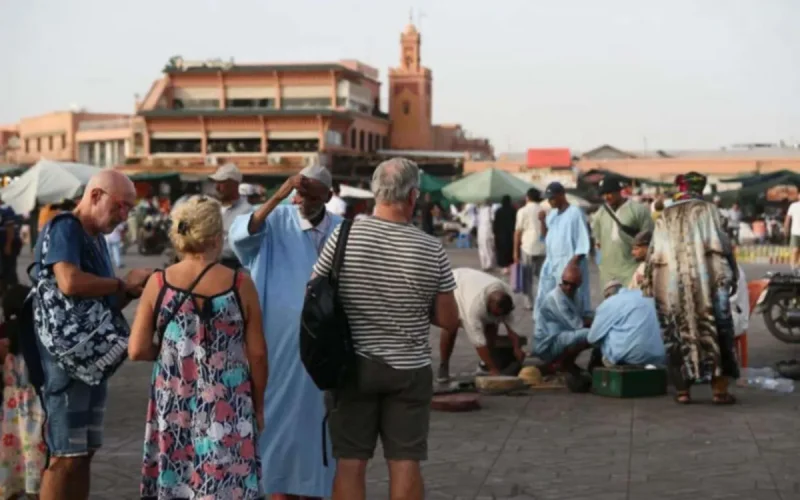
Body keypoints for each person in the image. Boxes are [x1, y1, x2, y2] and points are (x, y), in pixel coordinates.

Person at [311, 157, 458, 500]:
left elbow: (316, 292)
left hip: (352, 368)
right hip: (408, 370)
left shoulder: (343, 237)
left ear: (375, 193)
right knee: (405, 461)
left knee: (350, 463)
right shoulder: (431, 248)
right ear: (413, 197)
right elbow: (449, 319)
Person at [128, 196, 267, 499]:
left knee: (177, 480)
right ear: (217, 237)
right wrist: (258, 407)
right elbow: (257, 354)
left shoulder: (158, 283)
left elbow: (136, 349)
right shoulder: (240, 284)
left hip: (173, 400)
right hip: (227, 404)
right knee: (227, 481)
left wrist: (172, 352)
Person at [31, 170, 152, 500]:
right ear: (95, 195)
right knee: (64, 457)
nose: (124, 215)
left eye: (129, 208)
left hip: (89, 364)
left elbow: (103, 302)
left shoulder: (95, 237)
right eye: (120, 206)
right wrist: (122, 283)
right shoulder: (65, 227)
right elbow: (69, 282)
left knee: (84, 453)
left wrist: (131, 290)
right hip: (65, 365)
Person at [229, 164, 340, 499]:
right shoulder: (275, 221)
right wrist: (278, 194)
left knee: (318, 421)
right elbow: (240, 236)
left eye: (311, 193)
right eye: (299, 192)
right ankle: (272, 486)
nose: (302, 199)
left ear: (328, 196)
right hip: (279, 341)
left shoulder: (342, 229)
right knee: (276, 417)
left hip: (327, 345)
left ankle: (315, 488)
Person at [642, 172, 739, 405]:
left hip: (672, 287)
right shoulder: (710, 211)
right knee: (717, 330)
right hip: (710, 285)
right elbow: (725, 247)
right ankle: (719, 391)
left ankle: (683, 391)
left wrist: (648, 281)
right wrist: (732, 275)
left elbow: (652, 255)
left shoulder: (664, 216)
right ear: (701, 189)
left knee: (675, 331)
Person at [437, 267, 526, 383]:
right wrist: (494, 372)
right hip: (454, 286)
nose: (498, 317)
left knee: (492, 324)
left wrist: (517, 348)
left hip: (471, 280)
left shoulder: (507, 294)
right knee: (450, 326)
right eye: (495, 314)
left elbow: (512, 328)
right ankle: (444, 365)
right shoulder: (473, 308)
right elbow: (478, 342)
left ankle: (485, 364)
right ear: (489, 304)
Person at [0, 284, 46, 500]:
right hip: (35, 407)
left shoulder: (4, 338)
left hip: (9, 411)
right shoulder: (36, 336)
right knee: (35, 457)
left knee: (9, 460)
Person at [534, 182, 591, 322]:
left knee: (570, 300)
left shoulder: (575, 213)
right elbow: (546, 236)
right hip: (552, 262)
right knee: (547, 295)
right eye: (548, 198)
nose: (550, 201)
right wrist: (542, 221)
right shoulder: (552, 214)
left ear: (562, 195)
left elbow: (582, 244)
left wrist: (572, 266)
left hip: (569, 264)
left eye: (552, 198)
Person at [532, 263, 592, 379]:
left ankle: (565, 363)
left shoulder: (577, 296)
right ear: (561, 281)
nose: (569, 287)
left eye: (573, 285)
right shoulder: (555, 298)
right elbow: (577, 324)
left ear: (579, 285)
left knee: (589, 333)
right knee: (589, 334)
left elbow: (585, 314)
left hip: (562, 335)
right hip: (548, 343)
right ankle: (559, 364)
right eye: (566, 283)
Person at [587, 281, 666, 368]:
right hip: (659, 357)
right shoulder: (645, 296)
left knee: (601, 344)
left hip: (629, 359)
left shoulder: (609, 303)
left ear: (607, 295)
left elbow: (592, 338)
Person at [591, 177, 653, 287]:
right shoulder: (600, 214)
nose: (606, 197)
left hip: (632, 271)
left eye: (609, 193)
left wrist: (644, 269)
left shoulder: (638, 211)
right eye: (603, 194)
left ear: (618, 191)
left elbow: (651, 242)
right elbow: (598, 243)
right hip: (608, 275)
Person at [210, 163, 253, 270]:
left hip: (232, 269)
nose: (217, 187)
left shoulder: (246, 212)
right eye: (216, 182)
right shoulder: (212, 208)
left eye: (221, 183)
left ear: (234, 184)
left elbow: (242, 247)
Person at [514, 188, 547, 309]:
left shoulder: (522, 211)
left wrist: (515, 252)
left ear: (527, 197)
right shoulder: (545, 210)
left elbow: (518, 232)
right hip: (543, 247)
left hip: (527, 247)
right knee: (541, 276)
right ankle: (542, 300)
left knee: (526, 276)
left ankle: (528, 302)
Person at [492, 195, 517, 273]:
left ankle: (504, 267)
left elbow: (495, 224)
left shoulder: (498, 211)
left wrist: (495, 233)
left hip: (500, 235)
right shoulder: (514, 210)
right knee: (510, 250)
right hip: (511, 234)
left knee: (502, 251)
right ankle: (510, 266)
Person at [0, 200, 21, 289]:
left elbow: (10, 228)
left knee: (8, 270)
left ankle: (12, 292)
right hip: (4, 243)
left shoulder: (6, 209)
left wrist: (8, 245)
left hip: (8, 243)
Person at [476, 200, 495, 270]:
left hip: (482, 230)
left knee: (483, 248)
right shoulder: (488, 209)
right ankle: (487, 264)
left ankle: (485, 265)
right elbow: (492, 220)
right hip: (486, 230)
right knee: (487, 247)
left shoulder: (481, 210)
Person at [784, 196, 800, 269]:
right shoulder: (793, 205)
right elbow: (788, 218)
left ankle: (798, 266)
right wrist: (786, 228)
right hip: (795, 232)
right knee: (795, 249)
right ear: (798, 196)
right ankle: (793, 266)